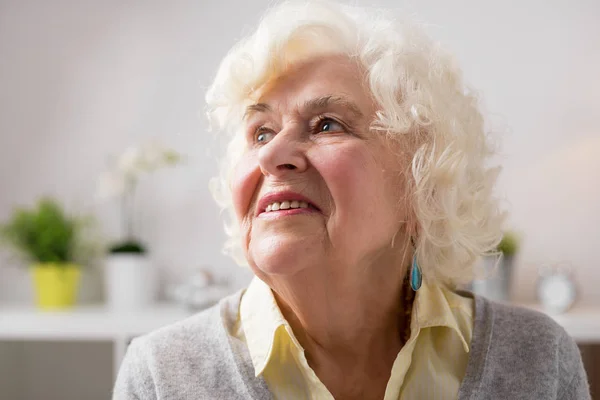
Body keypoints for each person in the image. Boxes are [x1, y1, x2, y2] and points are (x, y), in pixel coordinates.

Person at [113, 1, 590, 399]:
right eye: (260, 132)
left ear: (422, 179)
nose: (272, 156)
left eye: (327, 125)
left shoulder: (536, 360)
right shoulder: (160, 375)